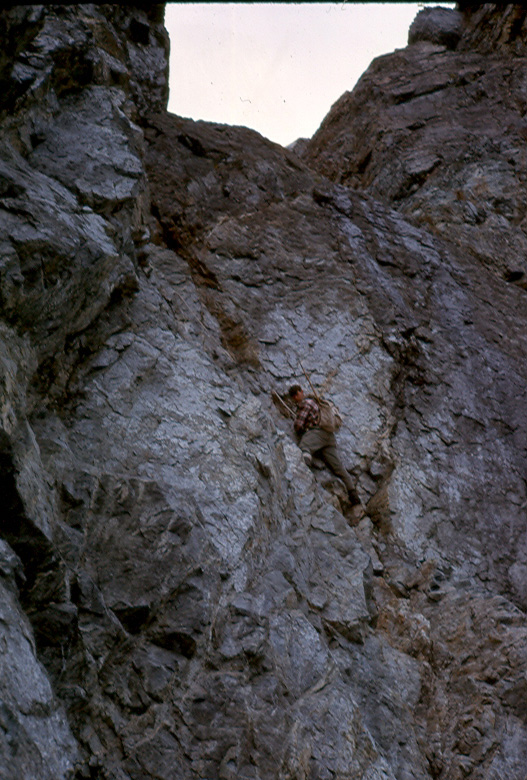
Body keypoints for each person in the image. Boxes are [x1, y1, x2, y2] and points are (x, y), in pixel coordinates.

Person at [288, 384, 360, 505]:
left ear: (300, 392)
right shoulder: (315, 402)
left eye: (296, 394)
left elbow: (298, 426)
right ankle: (353, 493)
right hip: (329, 437)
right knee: (338, 466)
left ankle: (304, 474)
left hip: (317, 433)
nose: (295, 397)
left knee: (304, 447)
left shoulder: (305, 404)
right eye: (294, 396)